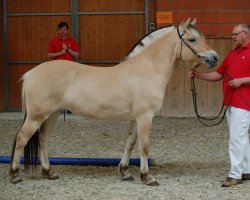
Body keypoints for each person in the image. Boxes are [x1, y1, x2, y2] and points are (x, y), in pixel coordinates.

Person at [189, 23, 250, 187]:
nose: (233, 37)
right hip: (231, 102)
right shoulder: (232, 55)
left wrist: (241, 81)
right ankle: (246, 170)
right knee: (241, 137)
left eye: (235, 34)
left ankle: (235, 175)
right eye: (232, 34)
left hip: (244, 103)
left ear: (245, 34)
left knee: (236, 139)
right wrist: (198, 75)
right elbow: (218, 75)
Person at [47, 22, 80, 114]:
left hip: (70, 70)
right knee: (58, 89)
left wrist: (68, 50)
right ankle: (58, 108)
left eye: (64, 29)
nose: (63, 31)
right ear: (58, 30)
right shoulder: (54, 41)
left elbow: (77, 55)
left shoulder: (72, 41)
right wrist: (60, 53)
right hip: (57, 70)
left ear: (67, 30)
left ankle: (70, 108)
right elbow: (49, 55)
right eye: (61, 29)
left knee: (71, 88)